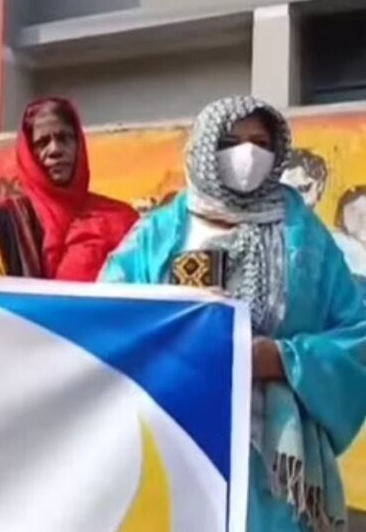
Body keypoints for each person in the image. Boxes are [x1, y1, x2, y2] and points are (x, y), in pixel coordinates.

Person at [100, 96, 366, 531]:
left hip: (275, 459)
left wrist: (280, 359)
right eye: (231, 142)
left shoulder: (305, 237)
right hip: (177, 429)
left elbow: (357, 332)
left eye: (260, 142)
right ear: (207, 147)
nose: (247, 154)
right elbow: (108, 318)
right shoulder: (160, 234)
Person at [0, 97, 137, 281]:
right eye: (42, 143)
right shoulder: (8, 224)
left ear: (78, 144)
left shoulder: (121, 220)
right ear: (28, 154)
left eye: (64, 138)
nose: (55, 150)